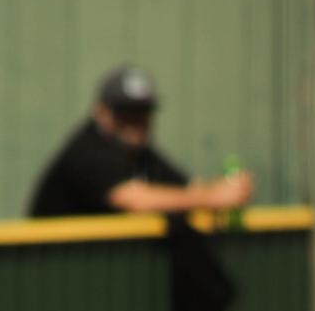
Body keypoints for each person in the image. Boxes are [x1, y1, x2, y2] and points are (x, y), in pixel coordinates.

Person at [28, 65, 254, 219]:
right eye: (125, 112)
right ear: (102, 112)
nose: (136, 121)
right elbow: (133, 199)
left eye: (142, 112)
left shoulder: (140, 153)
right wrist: (212, 197)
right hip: (48, 274)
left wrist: (227, 189)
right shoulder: (88, 151)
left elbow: (186, 187)